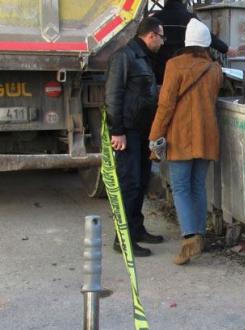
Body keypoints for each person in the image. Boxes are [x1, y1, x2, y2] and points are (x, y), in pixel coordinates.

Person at [149, 19, 223, 265]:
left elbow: (166, 104)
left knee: (181, 187)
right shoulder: (215, 69)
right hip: (207, 135)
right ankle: (199, 235)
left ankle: (190, 237)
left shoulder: (174, 65)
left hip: (181, 136)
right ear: (206, 44)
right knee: (198, 186)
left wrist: (154, 136)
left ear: (186, 42)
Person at [105, 17, 165, 257]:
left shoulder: (143, 58)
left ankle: (137, 229)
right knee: (129, 184)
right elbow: (113, 95)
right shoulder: (124, 57)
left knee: (140, 181)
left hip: (141, 131)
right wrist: (117, 130)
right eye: (162, 36)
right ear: (151, 35)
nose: (163, 41)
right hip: (127, 131)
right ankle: (123, 239)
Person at [150, 0, 231, 84]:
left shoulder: (156, 18)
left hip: (159, 67)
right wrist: (225, 49)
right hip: (184, 67)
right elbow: (207, 35)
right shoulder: (190, 18)